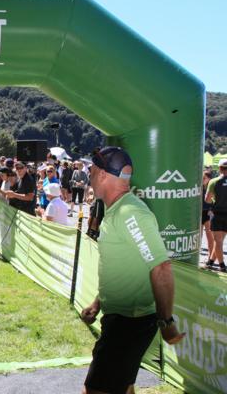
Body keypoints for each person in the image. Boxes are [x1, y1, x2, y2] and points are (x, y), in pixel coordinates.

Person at [80, 146, 184, 394]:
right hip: (123, 319)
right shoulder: (117, 209)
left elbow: (161, 267)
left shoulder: (130, 213)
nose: (89, 177)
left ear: (103, 174)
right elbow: (125, 265)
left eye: (91, 171)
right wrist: (98, 303)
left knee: (95, 390)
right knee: (124, 387)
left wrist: (166, 321)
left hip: (129, 323)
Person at [205, 159, 227, 272]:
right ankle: (210, 262)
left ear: (219, 168)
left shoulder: (214, 181)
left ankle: (223, 266)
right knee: (219, 242)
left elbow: (207, 199)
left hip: (217, 214)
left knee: (218, 242)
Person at [201, 169, 215, 266]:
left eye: (204, 178)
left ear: (209, 179)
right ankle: (197, 256)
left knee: (210, 237)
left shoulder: (212, 188)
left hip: (208, 213)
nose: (202, 180)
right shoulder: (198, 187)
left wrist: (211, 209)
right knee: (198, 237)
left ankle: (210, 258)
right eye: (202, 178)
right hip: (198, 214)